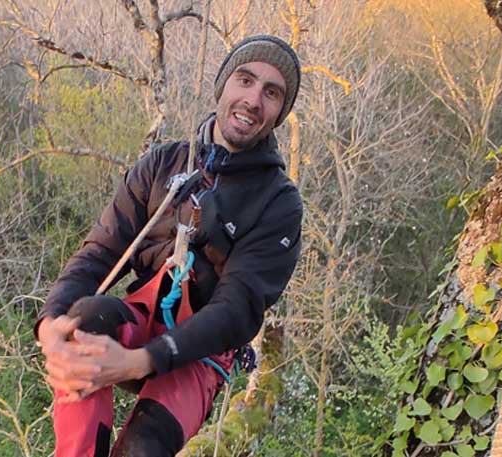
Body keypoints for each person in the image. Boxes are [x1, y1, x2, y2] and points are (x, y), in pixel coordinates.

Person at [35, 35, 303, 457]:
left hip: (202, 351)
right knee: (82, 321)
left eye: (271, 93)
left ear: (279, 112)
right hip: (141, 317)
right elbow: (100, 253)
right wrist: (50, 322)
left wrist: (141, 361)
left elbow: (236, 309)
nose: (253, 100)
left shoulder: (277, 202)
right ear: (223, 86)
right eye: (245, 80)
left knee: (145, 447)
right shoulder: (163, 164)